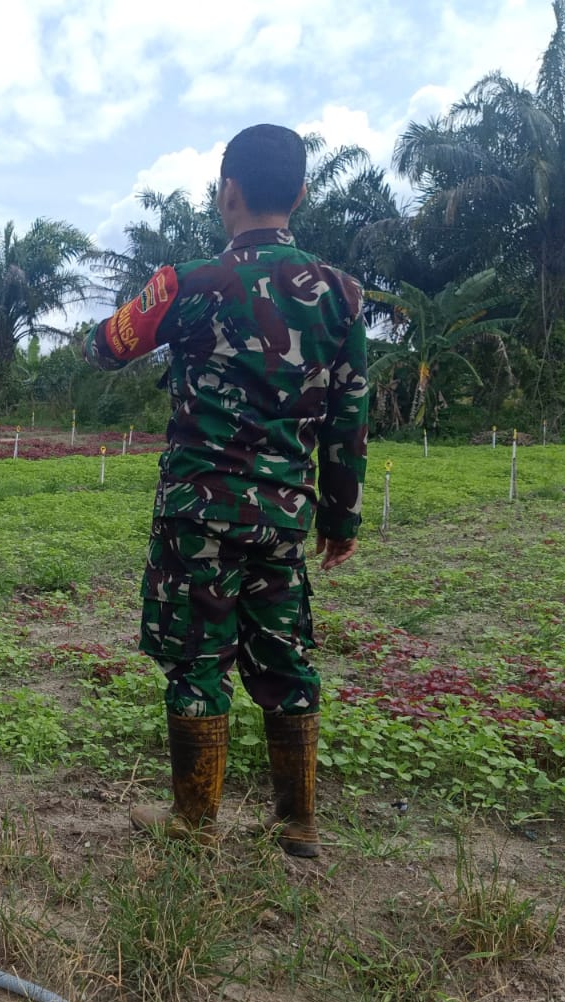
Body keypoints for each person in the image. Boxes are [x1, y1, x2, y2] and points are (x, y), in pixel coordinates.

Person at [83, 124, 369, 858]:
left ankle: (194, 823)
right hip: (283, 515)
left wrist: (150, 305)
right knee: (284, 656)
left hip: (199, 513)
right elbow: (349, 414)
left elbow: (108, 347)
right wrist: (342, 515)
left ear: (228, 192)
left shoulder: (191, 283)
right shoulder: (343, 295)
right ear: (301, 194)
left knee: (196, 658)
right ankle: (297, 821)